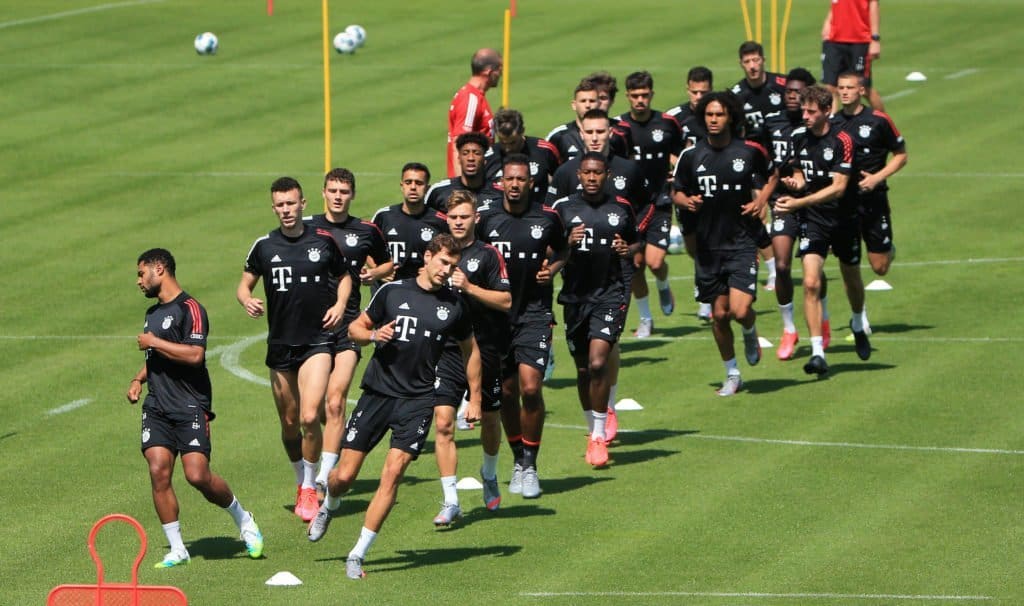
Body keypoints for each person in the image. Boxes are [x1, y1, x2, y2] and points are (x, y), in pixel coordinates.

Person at [307, 234, 482, 580]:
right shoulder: (392, 292)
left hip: (418, 403)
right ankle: (329, 505)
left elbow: (471, 350)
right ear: (428, 257)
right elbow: (356, 327)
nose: (448, 271)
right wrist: (374, 337)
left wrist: (474, 397)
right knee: (342, 477)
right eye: (444, 263)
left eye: (453, 266)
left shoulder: (455, 305)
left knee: (393, 474)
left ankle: (358, 553)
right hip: (377, 395)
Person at [129, 248, 263, 568]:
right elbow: (156, 358)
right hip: (158, 406)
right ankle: (177, 548)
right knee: (159, 471)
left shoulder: (192, 309)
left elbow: (194, 355)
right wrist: (138, 379)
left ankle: (244, 520)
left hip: (190, 406)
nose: (138, 281)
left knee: (197, 475)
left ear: (159, 269)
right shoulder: (153, 313)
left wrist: (155, 343)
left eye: (140, 273)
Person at [237, 177, 352, 522]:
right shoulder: (263, 247)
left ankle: (309, 488)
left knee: (308, 415)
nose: (286, 210)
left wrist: (340, 304)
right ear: (273, 208)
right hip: (280, 345)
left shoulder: (323, 241)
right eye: (280, 205)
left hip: (317, 341)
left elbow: (345, 276)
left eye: (291, 203)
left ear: (303, 204)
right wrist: (247, 300)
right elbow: (244, 284)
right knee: (289, 423)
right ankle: (300, 479)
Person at [478, 153, 569, 497]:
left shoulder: (547, 217)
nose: (515, 185)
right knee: (508, 393)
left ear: (531, 182)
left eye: (521, 180)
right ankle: (517, 457)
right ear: (501, 182)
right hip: (496, 319)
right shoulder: (485, 219)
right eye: (509, 179)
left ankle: (530, 464)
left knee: (531, 388)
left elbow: (562, 251)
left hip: (534, 314)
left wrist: (554, 269)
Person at [671, 91, 769, 396]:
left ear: (731, 117)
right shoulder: (691, 156)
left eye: (719, 115)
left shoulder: (749, 151)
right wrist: (686, 201)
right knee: (720, 314)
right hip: (708, 249)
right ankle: (732, 373)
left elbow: (772, 176)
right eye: (709, 115)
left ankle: (750, 330)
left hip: (741, 242)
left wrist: (762, 200)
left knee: (740, 311)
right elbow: (676, 191)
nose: (713, 120)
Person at [307, 168, 394, 497]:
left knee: (335, 401)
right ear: (323, 192)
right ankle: (310, 469)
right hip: (311, 328)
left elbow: (389, 265)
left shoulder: (367, 230)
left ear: (352, 194)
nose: (338, 195)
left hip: (348, 325)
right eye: (333, 190)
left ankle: (324, 476)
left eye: (344, 190)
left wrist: (373, 273)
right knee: (308, 411)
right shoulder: (309, 228)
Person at [552, 152, 640, 466]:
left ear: (607, 175)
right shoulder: (562, 209)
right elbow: (549, 249)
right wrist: (567, 243)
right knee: (582, 370)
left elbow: (635, 242)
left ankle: (600, 435)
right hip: (575, 298)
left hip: (610, 293)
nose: (592, 178)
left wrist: (625, 249)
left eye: (597, 173)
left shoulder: (622, 207)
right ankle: (592, 430)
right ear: (579, 174)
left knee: (599, 361)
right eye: (587, 173)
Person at [431, 190, 511, 524]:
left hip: (486, 348)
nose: (459, 222)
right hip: (447, 351)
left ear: (476, 218)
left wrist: (470, 288)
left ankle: (489, 474)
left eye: (464, 216)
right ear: (446, 220)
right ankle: (450, 500)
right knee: (444, 422)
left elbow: (506, 301)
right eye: (453, 218)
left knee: (490, 419)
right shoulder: (437, 255)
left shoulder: (489, 256)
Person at [774, 85, 864, 374]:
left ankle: (858, 319)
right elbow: (800, 172)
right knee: (811, 282)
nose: (806, 116)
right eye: (803, 110)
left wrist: (799, 201)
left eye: (811, 112)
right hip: (814, 220)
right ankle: (817, 353)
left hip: (844, 219)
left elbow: (838, 188)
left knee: (851, 277)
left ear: (827, 112)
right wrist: (795, 184)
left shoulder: (843, 140)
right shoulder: (798, 136)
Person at [831, 70, 907, 333]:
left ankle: (888, 249)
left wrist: (877, 177)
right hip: (844, 205)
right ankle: (858, 315)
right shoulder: (831, 123)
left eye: (850, 87)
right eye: (840, 87)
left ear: (861, 91)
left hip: (874, 201)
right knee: (848, 264)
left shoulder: (878, 120)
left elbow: (901, 155)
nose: (844, 92)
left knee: (880, 267)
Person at [617, 70, 684, 333]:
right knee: (635, 265)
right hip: (629, 207)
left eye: (644, 95)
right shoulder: (618, 128)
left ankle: (664, 284)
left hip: (659, 202)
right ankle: (645, 319)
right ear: (627, 97)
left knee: (655, 262)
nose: (640, 100)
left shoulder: (667, 123)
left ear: (652, 94)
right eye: (635, 96)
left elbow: (682, 155)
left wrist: (676, 171)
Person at [766, 68, 816, 360]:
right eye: (789, 92)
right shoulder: (773, 123)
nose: (793, 97)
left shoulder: (818, 125)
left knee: (813, 273)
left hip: (813, 204)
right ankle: (789, 329)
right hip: (783, 201)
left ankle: (820, 320)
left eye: (799, 92)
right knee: (782, 265)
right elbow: (763, 159)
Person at [732, 41, 784, 295]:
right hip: (755, 164)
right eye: (747, 62)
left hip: (785, 161)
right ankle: (774, 270)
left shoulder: (783, 87)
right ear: (741, 64)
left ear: (764, 60)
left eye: (756, 60)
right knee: (758, 215)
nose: (752, 66)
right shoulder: (736, 95)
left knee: (783, 213)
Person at [667, 66, 715, 322]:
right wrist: (677, 163)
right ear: (688, 90)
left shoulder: (718, 114)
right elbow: (663, 148)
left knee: (711, 241)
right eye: (695, 92)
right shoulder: (674, 118)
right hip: (685, 190)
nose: (699, 97)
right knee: (693, 245)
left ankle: (707, 297)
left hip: (713, 189)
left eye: (704, 92)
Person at [373, 162, 450, 282]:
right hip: (388, 291)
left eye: (419, 183)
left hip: (424, 290)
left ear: (427, 188)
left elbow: (452, 255)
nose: (413, 187)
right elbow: (367, 248)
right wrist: (378, 270)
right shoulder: (384, 216)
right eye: (408, 182)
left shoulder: (440, 221)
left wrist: (435, 270)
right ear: (401, 186)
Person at [483, 108, 561, 202]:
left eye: (512, 143)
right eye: (503, 143)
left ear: (522, 131)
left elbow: (561, 179)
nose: (507, 148)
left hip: (538, 213)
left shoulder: (545, 150)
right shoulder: (487, 156)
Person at [447, 48, 502, 178]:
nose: (501, 74)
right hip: (470, 184)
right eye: (499, 70)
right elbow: (459, 144)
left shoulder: (475, 96)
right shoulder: (471, 99)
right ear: (489, 72)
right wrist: (460, 187)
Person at [822, 0, 884, 110]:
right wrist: (828, 22)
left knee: (863, 88)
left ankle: (883, 123)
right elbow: (836, 4)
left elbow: (873, 5)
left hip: (860, 41)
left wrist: (875, 39)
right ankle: (832, 125)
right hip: (834, 39)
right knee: (830, 87)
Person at [427, 132, 503, 212]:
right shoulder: (439, 191)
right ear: (459, 159)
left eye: (477, 153)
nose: (470, 158)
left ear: (485, 159)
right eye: (465, 153)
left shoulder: (499, 193)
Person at [545, 79, 602, 164]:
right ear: (574, 105)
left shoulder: (612, 134)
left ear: (599, 104)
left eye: (592, 101)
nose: (587, 105)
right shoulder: (559, 136)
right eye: (583, 101)